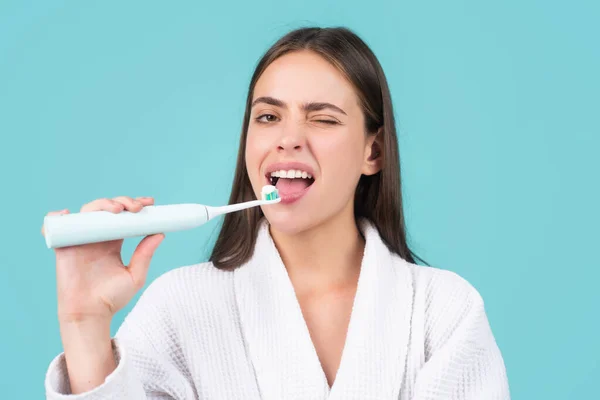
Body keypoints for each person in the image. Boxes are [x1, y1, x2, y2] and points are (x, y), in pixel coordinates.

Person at [43, 27, 510, 399]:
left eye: (322, 118)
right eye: (268, 117)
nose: (288, 137)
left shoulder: (444, 313)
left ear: (374, 151)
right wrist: (84, 323)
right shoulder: (179, 307)